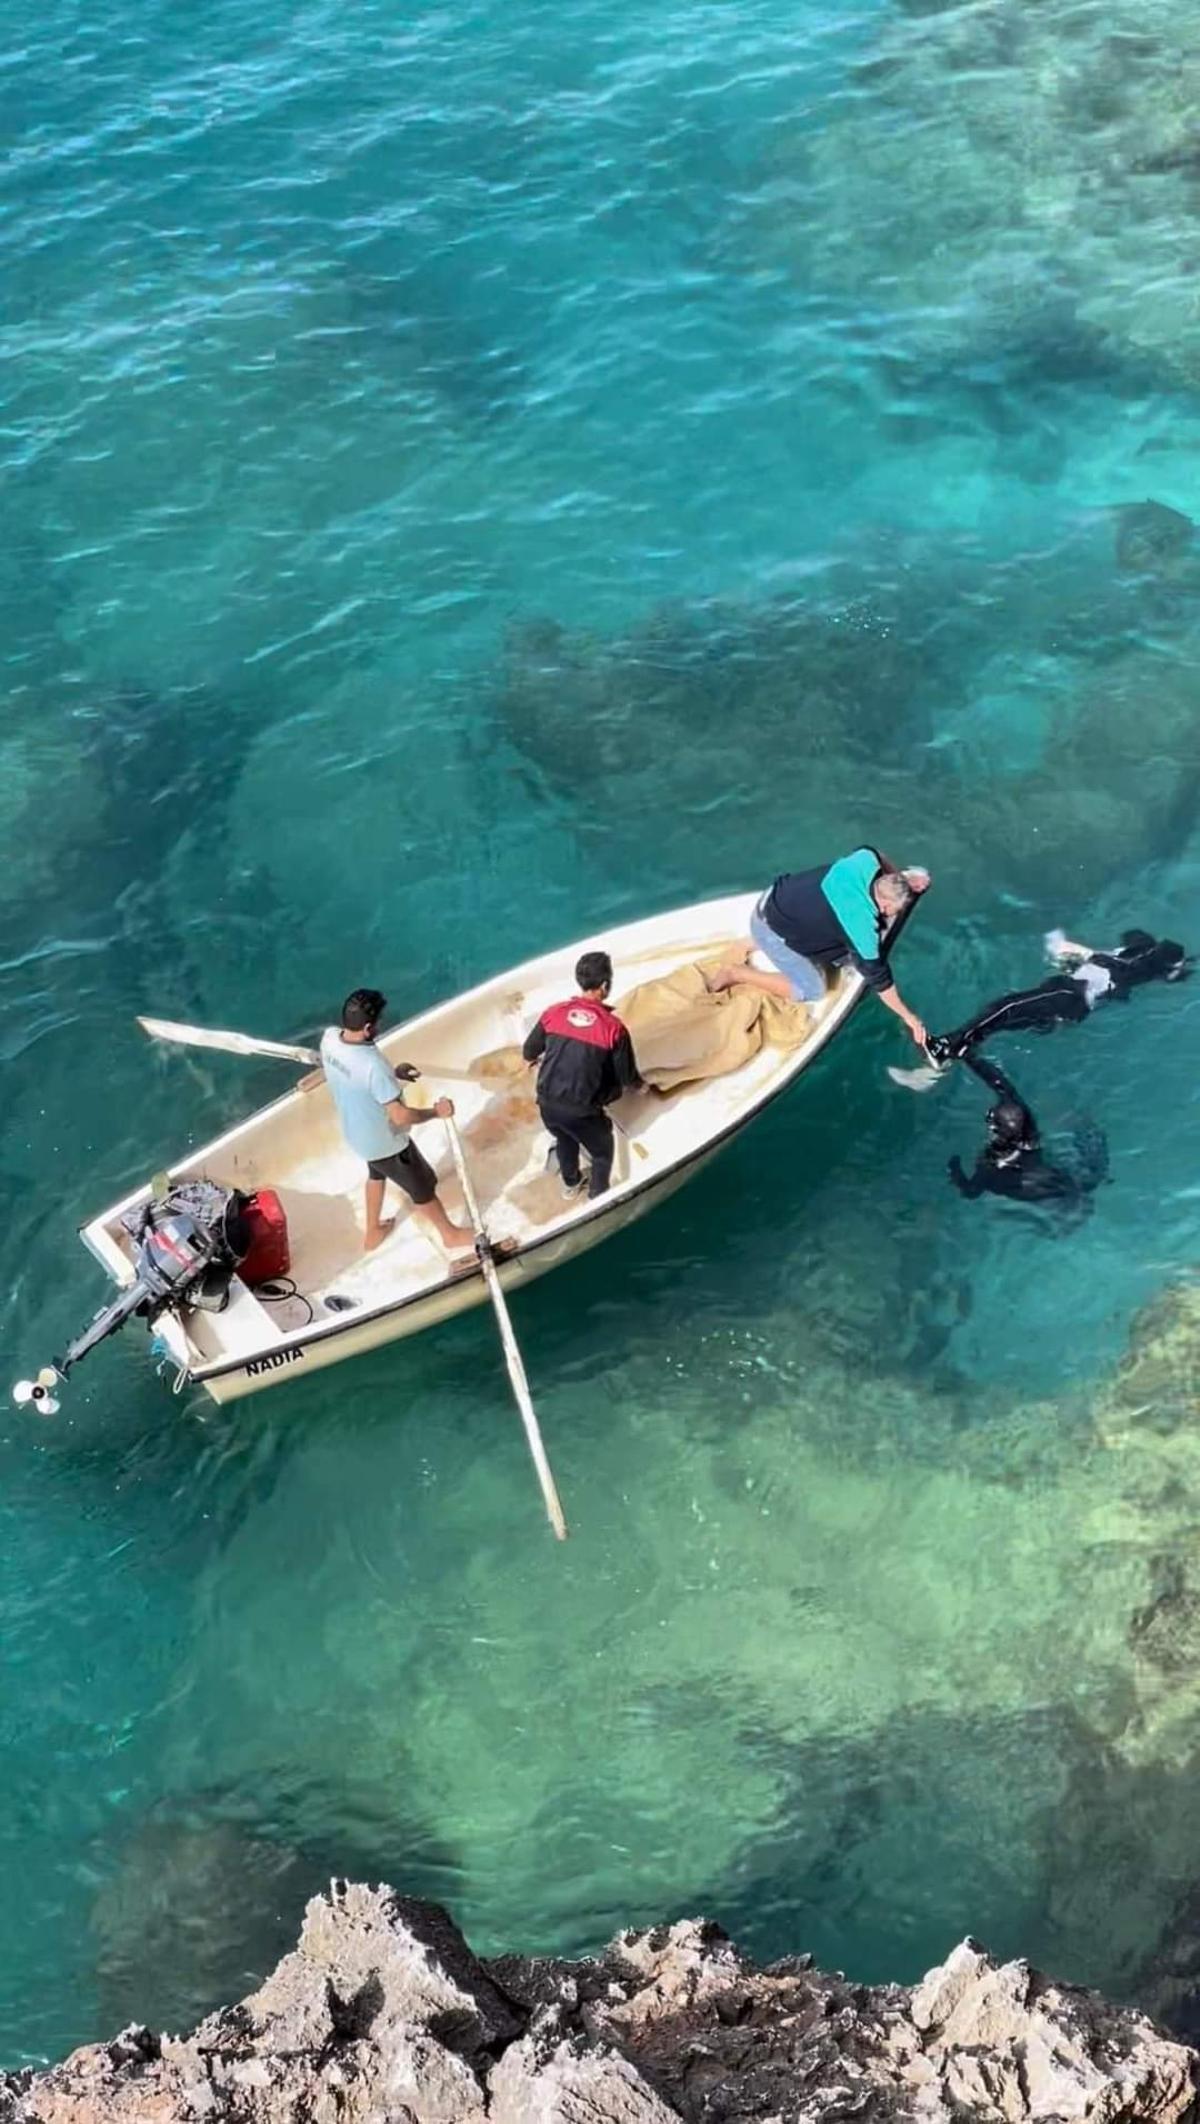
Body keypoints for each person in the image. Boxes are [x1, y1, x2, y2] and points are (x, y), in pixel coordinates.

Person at [708, 846, 931, 1046]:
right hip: (772, 928)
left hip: (773, 899)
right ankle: (736, 974)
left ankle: (757, 940)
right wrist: (909, 1018)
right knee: (812, 989)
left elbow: (877, 854)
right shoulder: (860, 927)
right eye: (895, 911)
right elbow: (881, 982)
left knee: (824, 925)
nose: (895, 915)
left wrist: (902, 882)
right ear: (884, 906)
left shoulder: (864, 861)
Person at [320, 988, 476, 1257]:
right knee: (422, 1185)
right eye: (378, 1022)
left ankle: (372, 1232)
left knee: (376, 1173)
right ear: (368, 1027)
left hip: (357, 1132)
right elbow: (400, 1116)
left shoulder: (330, 1039)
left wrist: (394, 1077)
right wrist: (436, 1112)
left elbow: (358, 1078)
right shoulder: (372, 1065)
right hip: (387, 1141)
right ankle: (450, 1234)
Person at [923, 927, 1191, 1073]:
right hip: (1072, 1004)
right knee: (1002, 1021)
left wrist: (1071, 948)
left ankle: (946, 1045)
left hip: (1069, 995)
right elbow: (1131, 949)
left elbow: (1116, 966)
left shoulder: (1131, 967)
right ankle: (953, 1056)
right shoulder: (1141, 962)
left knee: (1003, 1008)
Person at [523, 950, 642, 1201]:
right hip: (582, 1112)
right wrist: (642, 1086)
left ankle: (571, 1184)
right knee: (602, 1152)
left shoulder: (553, 1013)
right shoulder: (614, 1029)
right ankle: (598, 1198)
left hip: (547, 1104)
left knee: (564, 1136)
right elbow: (626, 1077)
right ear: (605, 985)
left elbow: (529, 1051)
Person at [947, 1054, 1108, 1219]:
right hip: (1057, 1180)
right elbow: (1004, 1088)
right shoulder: (1028, 1133)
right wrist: (971, 1059)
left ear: (995, 1130)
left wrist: (954, 1167)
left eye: (992, 1118)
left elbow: (971, 1192)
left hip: (1045, 1195)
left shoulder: (990, 1168)